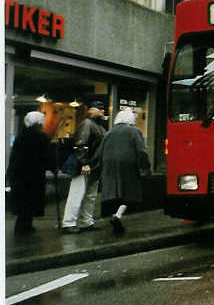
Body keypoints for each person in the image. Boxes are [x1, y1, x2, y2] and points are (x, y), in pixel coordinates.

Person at [96, 110, 150, 236]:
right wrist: (146, 167)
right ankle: (118, 216)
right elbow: (141, 151)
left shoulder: (109, 133)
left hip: (109, 166)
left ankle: (115, 216)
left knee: (114, 193)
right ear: (130, 119)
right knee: (129, 193)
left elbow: (100, 152)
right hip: (128, 165)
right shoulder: (134, 131)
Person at [61, 100, 106, 233]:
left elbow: (82, 145)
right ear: (91, 110)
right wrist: (84, 163)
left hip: (92, 165)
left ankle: (83, 222)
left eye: (103, 108)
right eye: (99, 108)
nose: (102, 111)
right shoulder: (89, 124)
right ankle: (70, 223)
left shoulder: (93, 125)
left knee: (88, 195)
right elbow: (80, 145)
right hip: (87, 165)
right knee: (79, 194)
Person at [7, 111, 53, 235]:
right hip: (34, 175)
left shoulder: (21, 136)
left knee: (22, 201)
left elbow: (14, 157)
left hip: (19, 174)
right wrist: (53, 166)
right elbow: (47, 156)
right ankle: (26, 226)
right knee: (31, 200)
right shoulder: (41, 136)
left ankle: (22, 225)